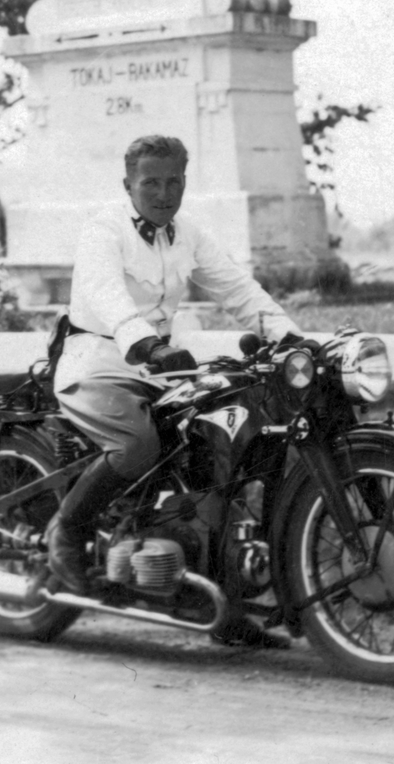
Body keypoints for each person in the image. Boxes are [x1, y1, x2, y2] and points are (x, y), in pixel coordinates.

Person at [45, 134, 305, 595]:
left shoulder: (190, 233)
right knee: (136, 447)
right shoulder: (102, 230)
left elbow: (237, 288)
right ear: (128, 185)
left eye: (174, 182)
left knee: (217, 448)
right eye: (151, 184)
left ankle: (215, 588)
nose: (164, 194)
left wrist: (290, 336)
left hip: (165, 366)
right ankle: (66, 531)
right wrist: (146, 344)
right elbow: (108, 295)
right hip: (99, 360)